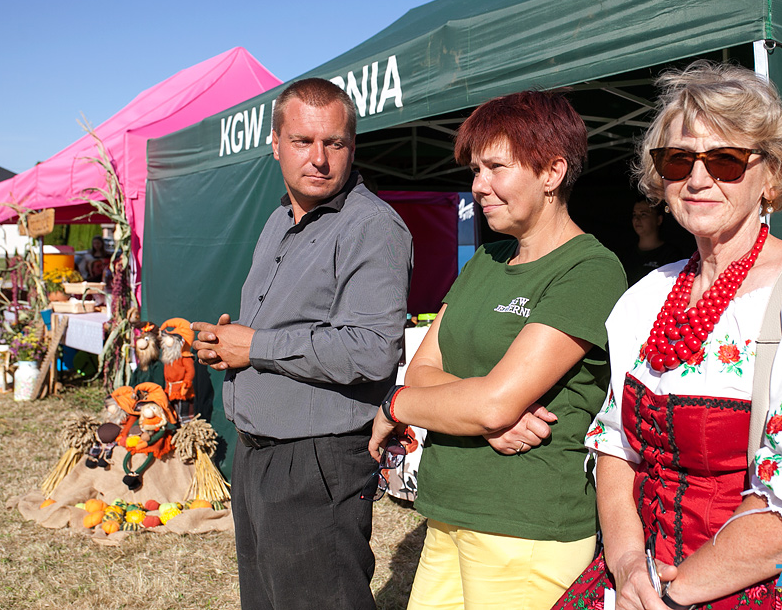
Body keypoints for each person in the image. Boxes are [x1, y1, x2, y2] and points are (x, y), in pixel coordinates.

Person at [554, 62, 782, 610]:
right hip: (638, 580)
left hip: (753, 588)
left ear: (772, 176)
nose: (698, 178)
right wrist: (630, 566)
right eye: (678, 159)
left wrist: (674, 593)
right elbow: (616, 444)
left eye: (726, 160)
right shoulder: (647, 297)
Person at [369, 90, 627, 610]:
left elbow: (487, 403)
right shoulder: (486, 260)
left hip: (526, 527)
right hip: (449, 510)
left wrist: (395, 406)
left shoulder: (590, 271)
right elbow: (422, 368)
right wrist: (483, 408)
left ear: (552, 173)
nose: (478, 185)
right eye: (475, 169)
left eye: (495, 167)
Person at [191, 77, 413, 610]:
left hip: (317, 460)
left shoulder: (373, 227)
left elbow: (372, 349)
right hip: (257, 453)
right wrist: (227, 346)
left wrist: (257, 347)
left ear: (351, 147)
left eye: (333, 143)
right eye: (302, 141)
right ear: (274, 144)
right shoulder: (277, 222)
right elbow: (277, 332)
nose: (318, 158)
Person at [622, 198, 688, 285]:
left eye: (643, 214)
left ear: (659, 220)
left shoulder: (670, 254)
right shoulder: (626, 253)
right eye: (634, 214)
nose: (637, 219)